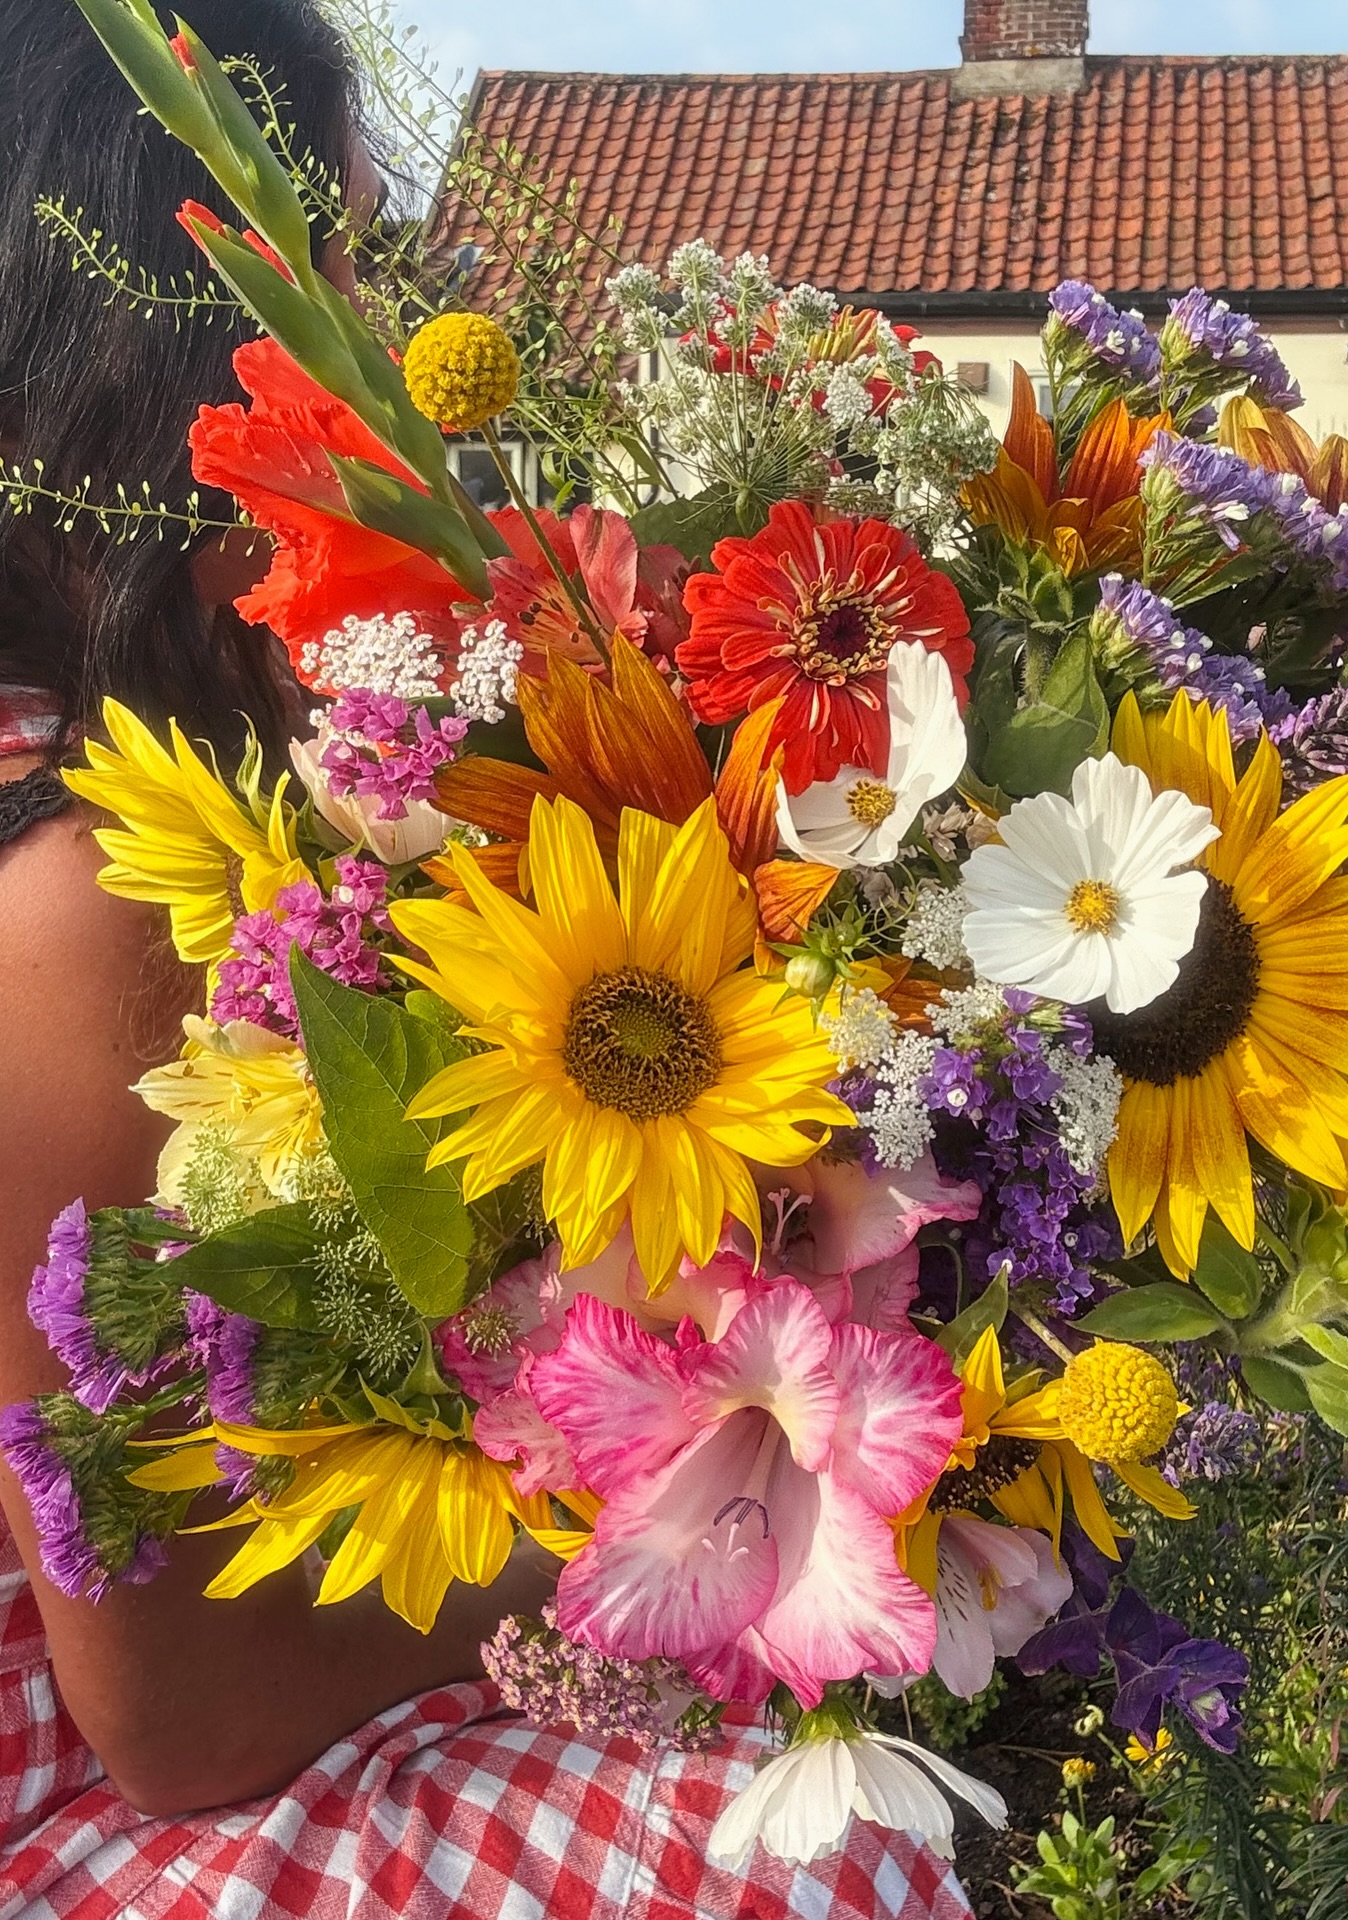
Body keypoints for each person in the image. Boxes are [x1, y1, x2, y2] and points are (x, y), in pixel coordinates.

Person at [0, 1, 979, 1913]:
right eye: (344, 272)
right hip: (83, 1782)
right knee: (807, 1869)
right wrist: (710, 1543)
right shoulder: (73, 891)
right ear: (163, 343)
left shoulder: (157, 744)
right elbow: (178, 1721)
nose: (392, 363)